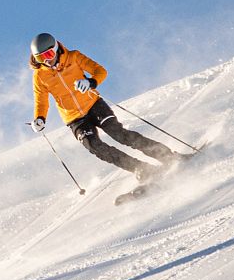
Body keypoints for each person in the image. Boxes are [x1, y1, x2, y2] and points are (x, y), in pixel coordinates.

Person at [29, 32, 181, 182]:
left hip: (94, 105)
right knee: (94, 146)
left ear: (56, 48)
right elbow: (41, 101)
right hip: (74, 119)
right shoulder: (40, 76)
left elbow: (100, 71)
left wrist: (91, 82)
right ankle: (141, 169)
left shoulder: (73, 57)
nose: (46, 60)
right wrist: (40, 119)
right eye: (40, 58)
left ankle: (167, 156)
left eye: (48, 54)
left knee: (119, 134)